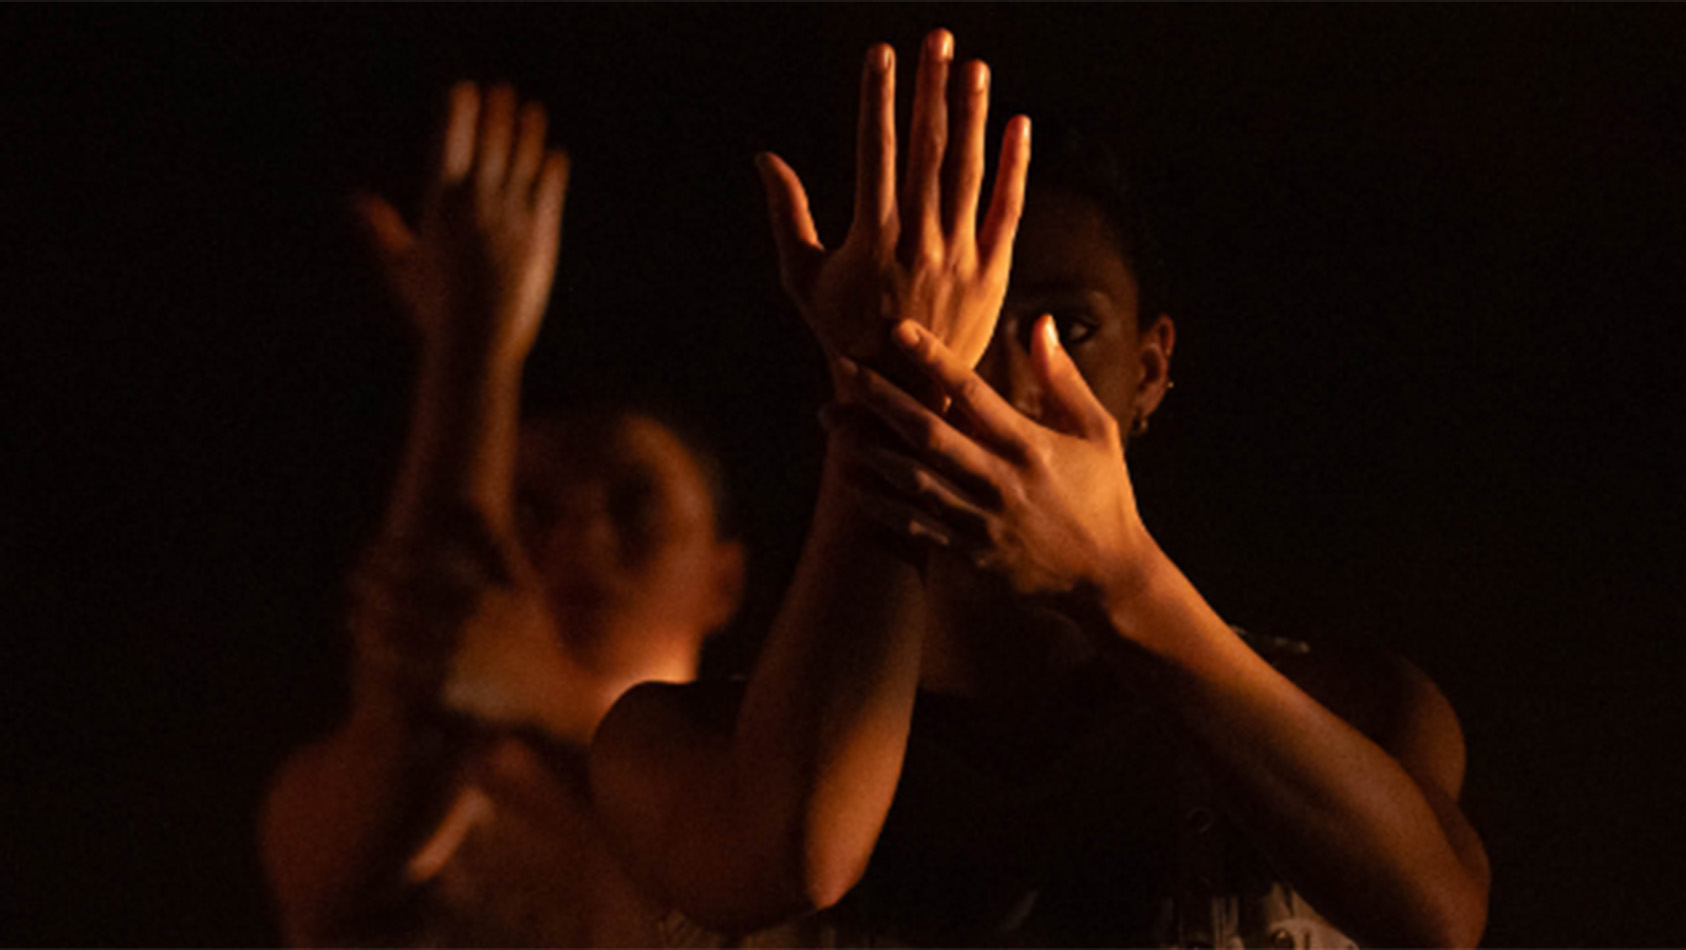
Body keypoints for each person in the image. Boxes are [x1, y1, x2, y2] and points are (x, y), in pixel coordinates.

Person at [591, 30, 1490, 949]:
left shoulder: (1351, 706)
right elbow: (795, 855)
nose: (1006, 379)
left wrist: (1120, 580)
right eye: (959, 326)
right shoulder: (683, 743)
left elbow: (1437, 915)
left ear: (1150, 370)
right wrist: (894, 387)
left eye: (1067, 324)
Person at [259, 82, 745, 947]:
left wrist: (548, 693)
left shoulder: (774, 803)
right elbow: (426, 681)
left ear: (726, 579)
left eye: (635, 505)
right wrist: (472, 339)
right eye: (529, 507)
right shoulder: (408, 800)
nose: (579, 537)